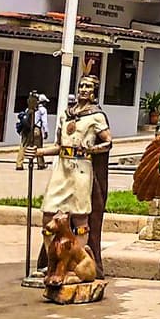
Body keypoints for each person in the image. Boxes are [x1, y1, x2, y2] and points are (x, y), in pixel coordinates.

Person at [25, 76, 113, 277]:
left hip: (82, 169)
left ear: (94, 92)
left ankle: (75, 262)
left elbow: (108, 143)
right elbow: (58, 145)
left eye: (88, 87)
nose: (83, 89)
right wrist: (37, 152)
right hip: (62, 168)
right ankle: (51, 261)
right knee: (49, 214)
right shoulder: (66, 115)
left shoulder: (96, 116)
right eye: (81, 85)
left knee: (80, 216)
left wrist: (92, 147)